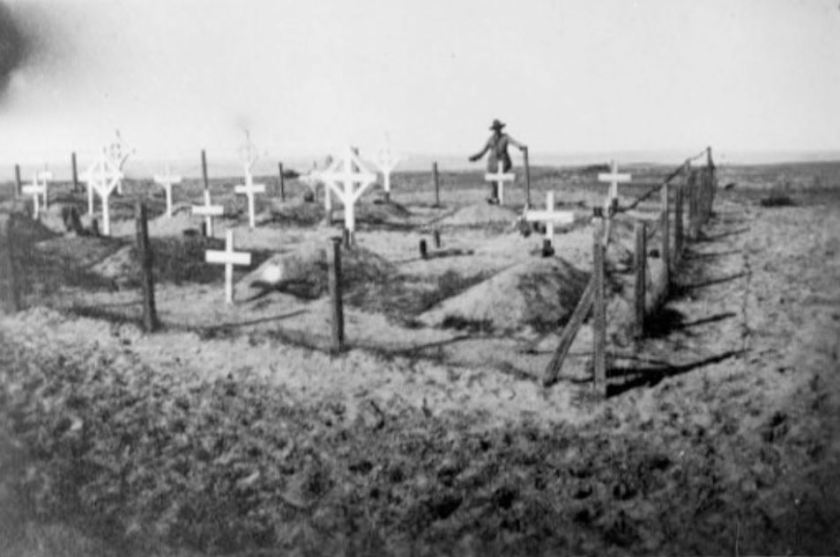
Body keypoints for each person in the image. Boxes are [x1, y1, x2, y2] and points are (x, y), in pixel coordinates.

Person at [468, 119, 527, 203]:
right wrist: (475, 157)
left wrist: (520, 146)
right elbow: (483, 151)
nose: (497, 131)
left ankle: (495, 197)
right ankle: (494, 197)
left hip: (503, 163)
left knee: (498, 179)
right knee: (493, 180)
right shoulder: (490, 139)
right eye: (495, 129)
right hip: (492, 163)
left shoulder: (505, 137)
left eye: (498, 129)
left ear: (500, 129)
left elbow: (514, 142)